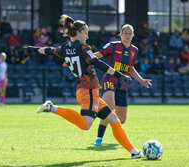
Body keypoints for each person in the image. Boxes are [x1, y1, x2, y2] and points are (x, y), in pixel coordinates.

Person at [23, 14, 143, 159]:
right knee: (86, 125)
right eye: (85, 33)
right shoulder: (83, 48)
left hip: (87, 91)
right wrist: (121, 76)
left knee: (114, 119)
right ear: (78, 33)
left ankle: (134, 152)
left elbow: (48, 50)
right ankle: (52, 108)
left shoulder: (65, 48)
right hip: (89, 91)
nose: (87, 37)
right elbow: (98, 63)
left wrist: (33, 49)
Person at [93, 24, 152, 146]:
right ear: (120, 34)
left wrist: (141, 80)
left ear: (133, 35)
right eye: (125, 33)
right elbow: (97, 55)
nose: (128, 35)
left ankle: (108, 121)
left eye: (130, 33)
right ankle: (99, 139)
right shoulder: (113, 46)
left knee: (122, 119)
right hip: (109, 79)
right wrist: (84, 60)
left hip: (122, 83)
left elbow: (130, 68)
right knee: (109, 107)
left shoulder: (134, 50)